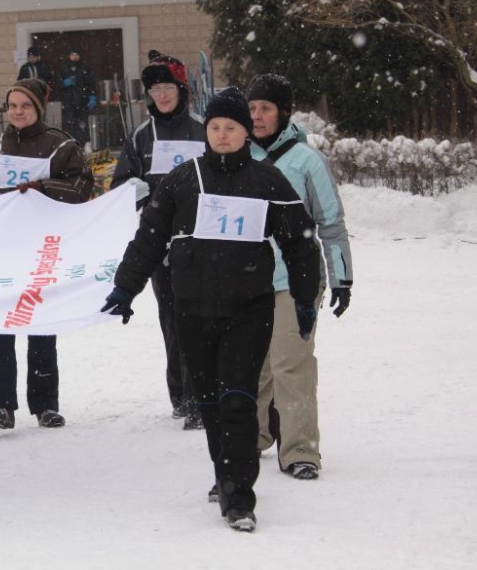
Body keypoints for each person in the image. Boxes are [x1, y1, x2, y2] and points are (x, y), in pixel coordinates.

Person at [101, 87, 322, 533]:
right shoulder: (182, 180)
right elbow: (149, 238)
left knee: (238, 399)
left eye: (232, 128)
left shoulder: (266, 180)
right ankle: (226, 474)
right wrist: (126, 287)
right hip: (193, 309)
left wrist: (303, 297)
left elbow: (299, 241)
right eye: (216, 127)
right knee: (210, 405)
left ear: (245, 134)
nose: (222, 134)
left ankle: (239, 497)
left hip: (249, 309)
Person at [0, 78, 93, 430]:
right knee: (0, 328)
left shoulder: (61, 145)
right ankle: (0, 406)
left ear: (38, 108)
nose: (18, 112)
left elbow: (82, 187)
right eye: (12, 106)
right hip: (2, 252)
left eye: (25, 106)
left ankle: (45, 405)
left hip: (44, 251)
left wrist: (43, 188)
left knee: (41, 327)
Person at [247, 73, 354, 481]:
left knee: (291, 364)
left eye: (266, 108)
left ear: (284, 112)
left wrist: (341, 277)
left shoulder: (307, 160)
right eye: (252, 108)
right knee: (251, 365)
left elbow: (331, 223)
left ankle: (299, 451)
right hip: (247, 279)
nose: (257, 116)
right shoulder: (236, 155)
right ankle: (251, 438)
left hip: (296, 279)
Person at [110, 57, 207, 429]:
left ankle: (199, 398)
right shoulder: (141, 136)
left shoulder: (202, 129)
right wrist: (140, 189)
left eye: (168, 88)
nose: (162, 96)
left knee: (199, 319)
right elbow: (121, 184)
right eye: (155, 90)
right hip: (159, 242)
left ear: (181, 90)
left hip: (201, 241)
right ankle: (180, 395)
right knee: (172, 319)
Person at [59, 49, 97, 149]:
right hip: (68, 101)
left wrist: (92, 96)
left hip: (82, 100)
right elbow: (57, 84)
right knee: (70, 124)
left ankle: (86, 143)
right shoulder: (64, 68)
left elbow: (92, 83)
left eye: (76, 55)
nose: (74, 57)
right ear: (69, 56)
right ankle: (71, 145)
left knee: (83, 123)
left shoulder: (85, 68)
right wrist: (64, 83)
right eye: (72, 54)